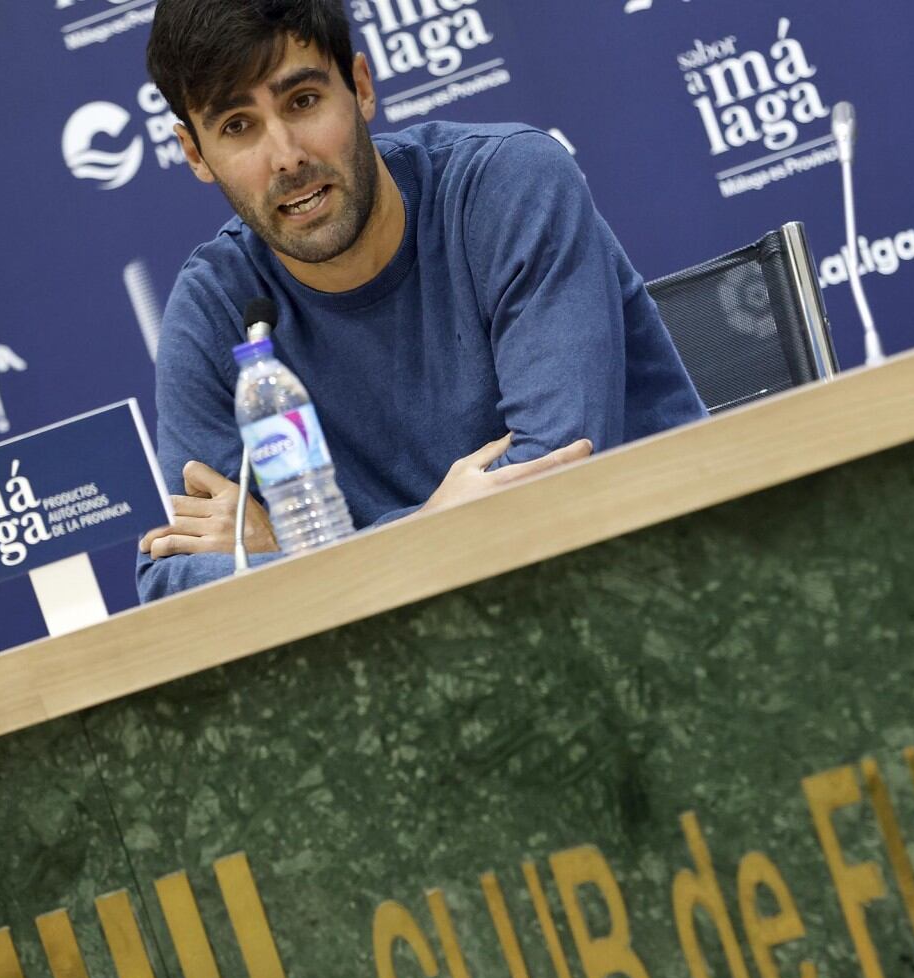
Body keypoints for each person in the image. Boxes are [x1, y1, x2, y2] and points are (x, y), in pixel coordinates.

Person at [135, 0, 705, 601]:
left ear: (360, 87)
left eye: (302, 101)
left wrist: (296, 552)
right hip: (426, 649)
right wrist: (426, 529)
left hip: (663, 594)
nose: (287, 157)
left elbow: (553, 480)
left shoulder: (509, 185)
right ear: (195, 153)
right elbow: (173, 582)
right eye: (237, 126)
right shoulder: (215, 306)